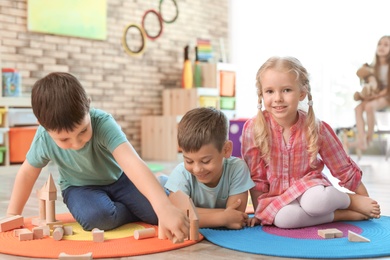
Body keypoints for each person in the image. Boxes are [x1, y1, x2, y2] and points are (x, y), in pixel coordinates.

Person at [5, 72, 189, 241]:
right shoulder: (44, 138)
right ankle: (135, 205)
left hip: (120, 179)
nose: (77, 143)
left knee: (158, 213)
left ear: (88, 105)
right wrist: (13, 214)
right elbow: (27, 174)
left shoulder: (103, 123)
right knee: (97, 218)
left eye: (83, 131)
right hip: (79, 188)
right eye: (65, 139)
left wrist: (163, 207)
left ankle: (152, 191)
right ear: (43, 125)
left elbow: (131, 162)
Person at [242, 56, 381, 229]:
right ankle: (339, 215)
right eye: (270, 91)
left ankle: (349, 201)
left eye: (286, 90)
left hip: (310, 186)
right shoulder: (253, 128)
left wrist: (362, 200)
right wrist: (259, 212)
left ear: (302, 92)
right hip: (276, 197)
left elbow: (342, 166)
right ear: (261, 94)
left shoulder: (315, 127)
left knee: (316, 202)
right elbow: (257, 177)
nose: (277, 98)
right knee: (285, 220)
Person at [164, 107, 255, 229]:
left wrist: (193, 212)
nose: (197, 169)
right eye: (189, 161)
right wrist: (222, 217)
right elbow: (179, 216)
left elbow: (236, 216)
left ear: (226, 150)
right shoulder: (181, 173)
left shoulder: (238, 168)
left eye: (205, 161)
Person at [354, 35, 390, 151]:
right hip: (375, 95)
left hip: (386, 95)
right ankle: (362, 138)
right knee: (358, 109)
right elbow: (368, 82)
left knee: (369, 106)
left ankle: (369, 138)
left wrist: (376, 96)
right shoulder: (373, 67)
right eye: (380, 44)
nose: (382, 47)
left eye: (386, 45)